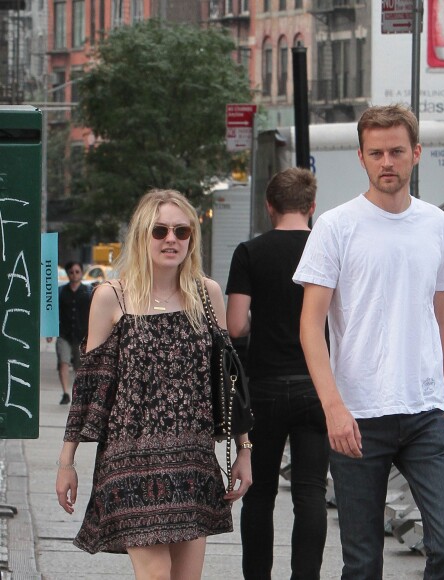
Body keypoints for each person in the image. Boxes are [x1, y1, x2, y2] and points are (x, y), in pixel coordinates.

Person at [294, 105, 444, 579]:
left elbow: (441, 317)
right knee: (364, 561)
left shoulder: (435, 224)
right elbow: (311, 325)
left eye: (396, 151)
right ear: (362, 157)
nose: (386, 162)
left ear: (416, 153)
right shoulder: (336, 226)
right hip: (358, 414)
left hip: (425, 412)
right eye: (376, 153)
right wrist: (333, 407)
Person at [55, 189, 252, 579]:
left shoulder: (206, 295)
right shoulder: (112, 297)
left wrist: (243, 449)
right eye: (160, 230)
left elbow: (227, 379)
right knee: (157, 575)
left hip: (192, 460)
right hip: (130, 463)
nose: (171, 239)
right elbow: (90, 389)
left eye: (182, 231)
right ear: (142, 235)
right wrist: (67, 461)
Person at [226, 167, 330, 580]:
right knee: (310, 494)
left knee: (260, 496)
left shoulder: (250, 252)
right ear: (312, 207)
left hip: (265, 386)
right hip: (316, 386)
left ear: (269, 206)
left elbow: (235, 325)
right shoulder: (326, 251)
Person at [48, 261, 92, 405]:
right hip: (64, 334)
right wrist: (50, 331)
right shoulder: (61, 292)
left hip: (82, 335)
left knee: (80, 367)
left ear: (81, 273)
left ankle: (79, 393)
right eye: (71, 272)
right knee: (63, 363)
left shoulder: (89, 292)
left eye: (77, 272)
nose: (74, 275)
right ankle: (66, 393)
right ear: (67, 274)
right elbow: (53, 312)